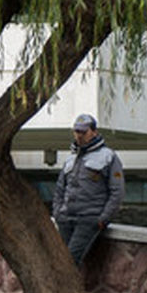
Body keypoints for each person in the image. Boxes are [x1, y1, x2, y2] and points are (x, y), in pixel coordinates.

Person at [51, 113, 125, 265]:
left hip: (88, 219)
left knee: (69, 262)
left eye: (83, 132)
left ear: (94, 132)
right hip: (65, 219)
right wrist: (58, 213)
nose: (79, 136)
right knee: (61, 261)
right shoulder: (70, 158)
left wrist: (103, 219)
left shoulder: (108, 157)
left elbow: (117, 192)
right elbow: (59, 189)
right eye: (76, 132)